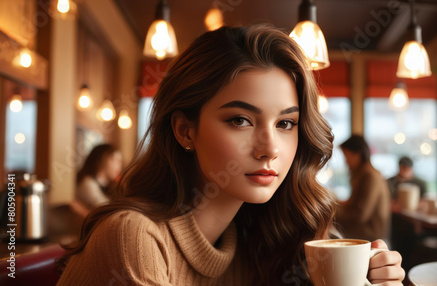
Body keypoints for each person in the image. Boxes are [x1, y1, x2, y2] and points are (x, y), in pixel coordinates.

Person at [56, 25, 404, 285]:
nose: (269, 148)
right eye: (240, 120)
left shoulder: (267, 240)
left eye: (285, 123)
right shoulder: (132, 238)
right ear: (184, 131)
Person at [336, 135, 392, 242]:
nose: (346, 162)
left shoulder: (369, 176)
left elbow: (359, 215)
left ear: (357, 154)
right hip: (366, 235)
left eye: (346, 156)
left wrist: (331, 212)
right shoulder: (364, 174)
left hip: (370, 239)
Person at [75, 144, 123, 212]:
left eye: (120, 162)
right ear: (102, 159)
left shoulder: (107, 186)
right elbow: (107, 210)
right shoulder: (88, 183)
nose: (119, 166)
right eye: (115, 160)